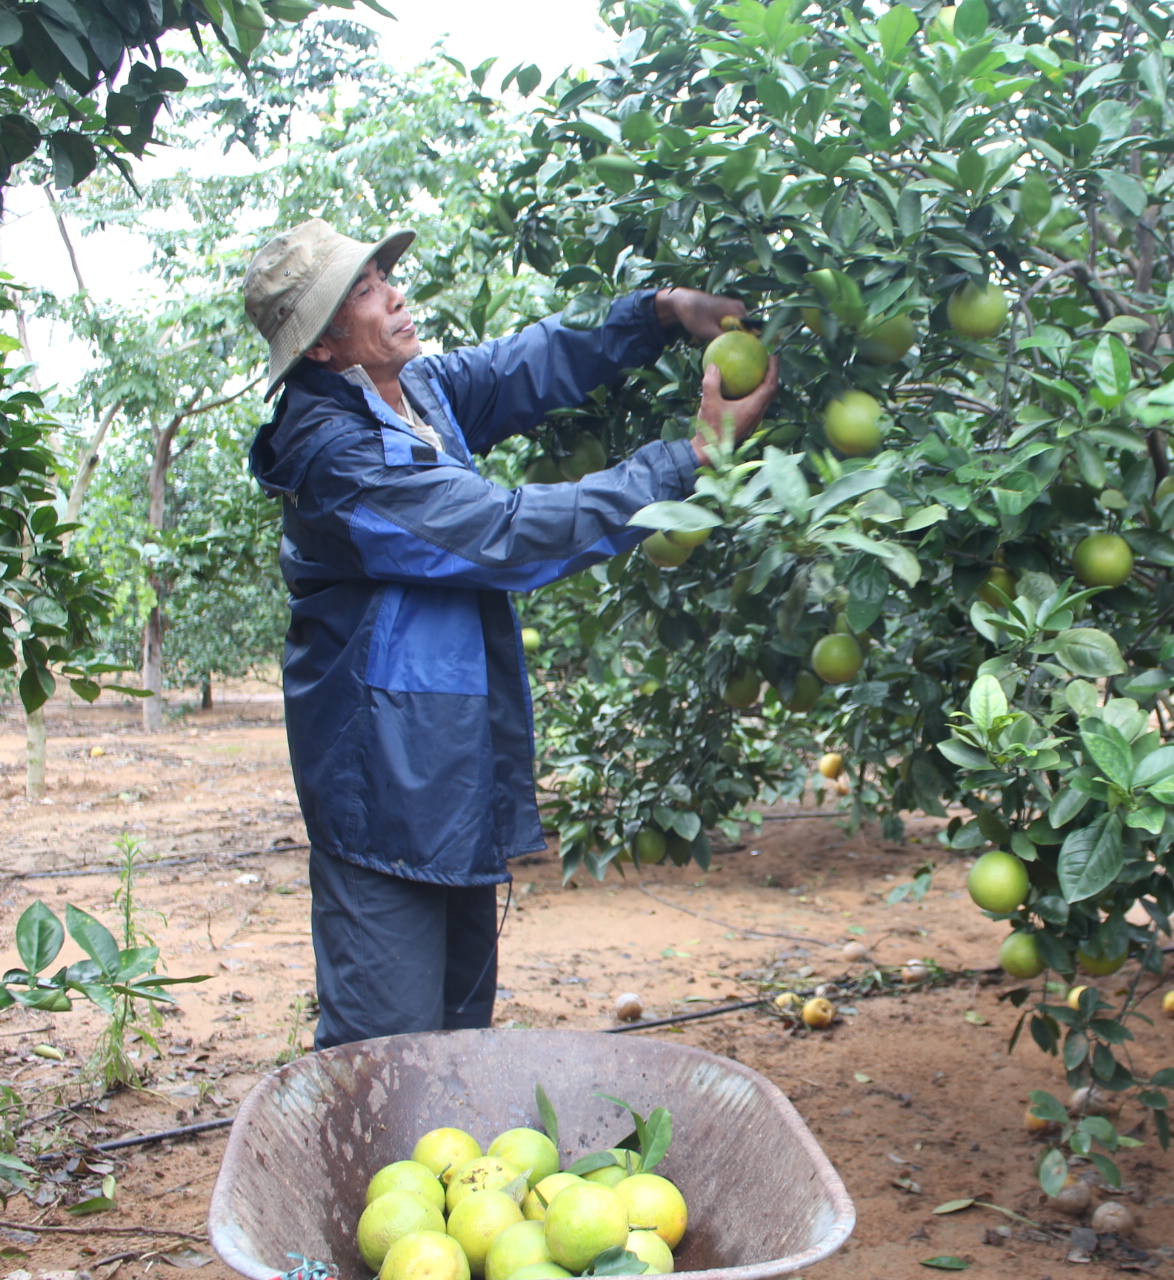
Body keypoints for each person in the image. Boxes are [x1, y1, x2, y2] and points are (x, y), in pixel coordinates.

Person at [241, 218, 777, 1049]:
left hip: (450, 774)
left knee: (458, 1035)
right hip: (385, 786)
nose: (396, 294)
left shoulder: (411, 393)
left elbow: (526, 365)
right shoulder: (334, 456)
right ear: (321, 344)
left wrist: (660, 314)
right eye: (368, 289)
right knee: (384, 1052)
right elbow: (500, 534)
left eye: (385, 275)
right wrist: (691, 459)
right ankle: (368, 1177)